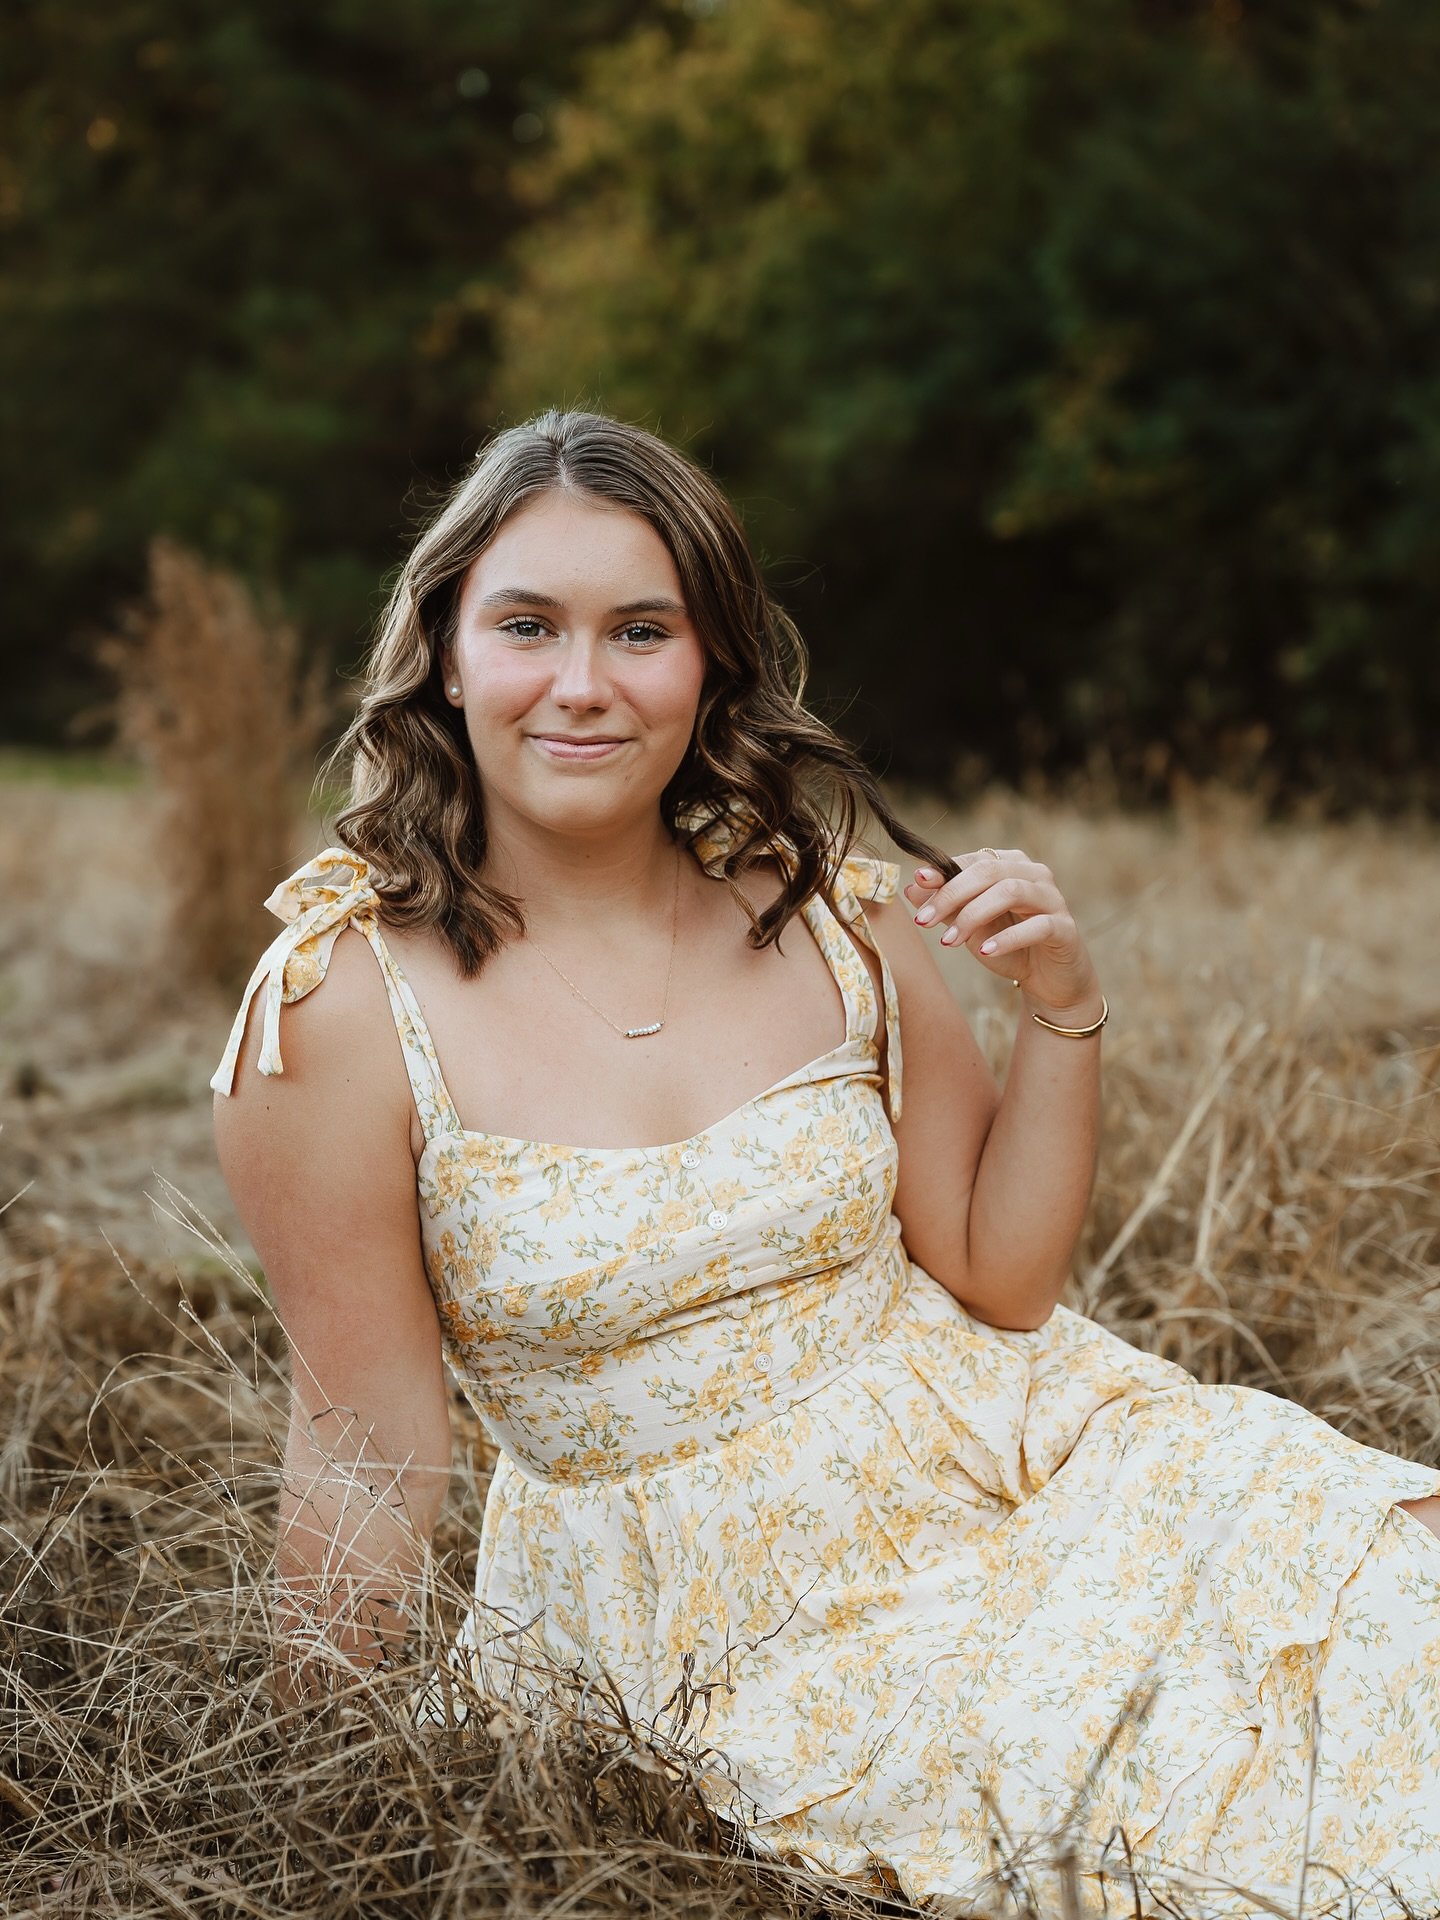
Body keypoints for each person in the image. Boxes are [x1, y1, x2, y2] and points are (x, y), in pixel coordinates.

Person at [212, 408, 1440, 1919]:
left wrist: (1061, 1012)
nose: (582, 684)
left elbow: (1000, 1280)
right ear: (449, 653)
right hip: (726, 1620)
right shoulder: (340, 1007)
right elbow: (360, 1444)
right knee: (1193, 1823)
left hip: (1025, 1454)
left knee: (1398, 1593)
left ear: (712, 664)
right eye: (527, 625)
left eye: (641, 630)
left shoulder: (827, 917)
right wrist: (296, 1815)